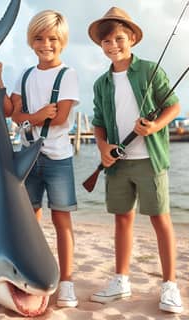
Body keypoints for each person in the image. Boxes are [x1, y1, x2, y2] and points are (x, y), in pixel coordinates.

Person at [87, 7, 183, 314]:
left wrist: (154, 126)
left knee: (161, 220)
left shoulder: (150, 70)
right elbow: (98, 121)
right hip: (118, 163)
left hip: (149, 160)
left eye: (119, 38)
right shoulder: (101, 83)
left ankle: (170, 285)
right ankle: (122, 280)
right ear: (100, 45)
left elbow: (173, 105)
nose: (113, 45)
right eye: (106, 41)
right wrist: (102, 147)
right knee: (122, 219)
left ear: (132, 39)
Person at [0, 10, 80, 308]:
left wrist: (28, 118)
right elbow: (11, 112)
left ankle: (66, 282)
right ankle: (31, 272)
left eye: (52, 39)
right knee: (29, 223)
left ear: (61, 41)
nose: (45, 44)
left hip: (58, 159)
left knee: (62, 222)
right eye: (39, 38)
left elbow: (61, 118)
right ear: (30, 41)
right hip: (27, 160)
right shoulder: (23, 75)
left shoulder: (68, 75)